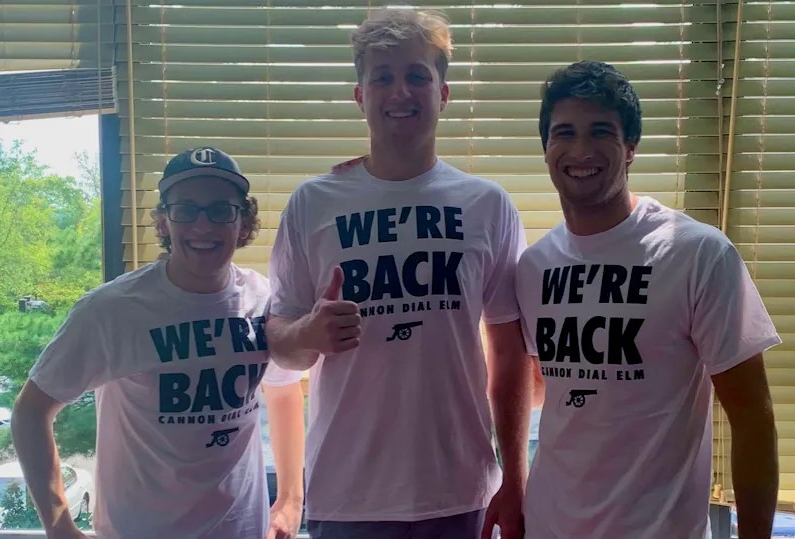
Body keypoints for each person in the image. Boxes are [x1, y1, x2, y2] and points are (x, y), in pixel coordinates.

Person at [266, 8, 531, 539]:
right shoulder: (312, 203)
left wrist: (516, 478)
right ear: (361, 96)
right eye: (382, 78)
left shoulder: (488, 205)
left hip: (460, 491)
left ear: (443, 93)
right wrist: (308, 335)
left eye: (417, 76)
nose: (400, 92)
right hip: (346, 495)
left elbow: (509, 352)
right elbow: (280, 345)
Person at [516, 60, 781, 539]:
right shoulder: (534, 266)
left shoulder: (696, 253)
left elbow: (752, 419)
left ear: (630, 147)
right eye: (564, 133)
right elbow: (552, 390)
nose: (581, 150)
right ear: (545, 147)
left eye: (601, 132)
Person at [10, 147, 305, 539]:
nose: (203, 225)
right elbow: (31, 411)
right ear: (164, 222)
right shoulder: (112, 310)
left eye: (221, 210)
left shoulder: (264, 300)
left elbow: (284, 392)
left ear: (244, 223)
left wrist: (290, 499)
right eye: (186, 209)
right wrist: (59, 524)